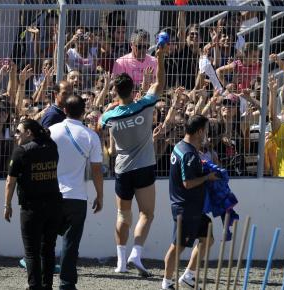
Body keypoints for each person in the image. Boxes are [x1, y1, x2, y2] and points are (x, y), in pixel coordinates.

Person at [101, 44, 166, 276]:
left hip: (122, 169)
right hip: (145, 167)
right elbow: (160, 85)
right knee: (146, 214)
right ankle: (136, 254)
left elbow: (97, 127)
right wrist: (159, 58)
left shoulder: (108, 116)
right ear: (134, 89)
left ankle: (120, 262)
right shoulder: (145, 104)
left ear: (115, 92)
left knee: (123, 216)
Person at [49, 95, 103, 290]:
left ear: (64, 110)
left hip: (51, 194)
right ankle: (66, 284)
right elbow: (96, 170)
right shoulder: (90, 136)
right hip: (77, 197)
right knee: (71, 244)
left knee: (47, 240)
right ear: (84, 112)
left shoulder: (51, 131)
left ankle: (44, 280)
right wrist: (100, 195)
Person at [3, 119, 63, 290]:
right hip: (53, 206)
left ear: (29, 133)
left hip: (32, 208)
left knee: (31, 252)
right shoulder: (52, 146)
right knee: (48, 249)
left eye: (18, 131)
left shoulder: (21, 152)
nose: (15, 135)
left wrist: (7, 205)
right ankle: (47, 286)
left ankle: (35, 286)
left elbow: (10, 182)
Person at [161, 114, 219, 290]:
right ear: (200, 131)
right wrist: (208, 177)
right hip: (185, 208)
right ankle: (166, 283)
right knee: (177, 246)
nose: (206, 135)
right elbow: (188, 183)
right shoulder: (188, 154)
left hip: (195, 207)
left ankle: (188, 276)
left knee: (207, 238)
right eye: (206, 131)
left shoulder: (182, 147)